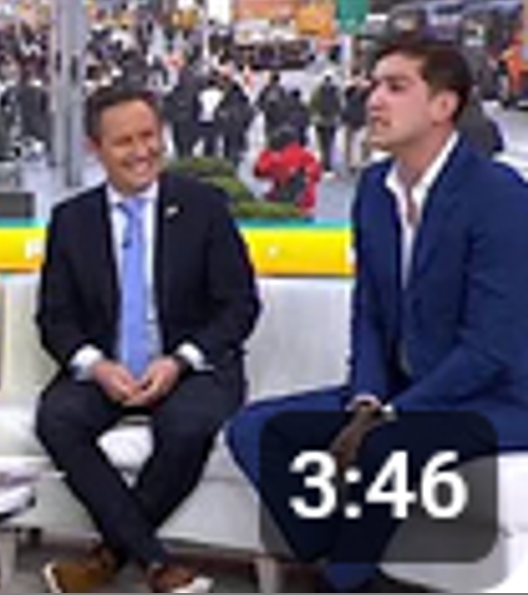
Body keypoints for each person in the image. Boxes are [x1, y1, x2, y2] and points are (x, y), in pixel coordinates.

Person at [226, 35, 528, 592]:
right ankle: (342, 565)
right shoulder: (373, 188)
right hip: (394, 392)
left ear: (443, 105)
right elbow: (368, 310)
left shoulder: (498, 195)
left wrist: (393, 415)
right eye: (374, 86)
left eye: (396, 87)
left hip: (495, 401)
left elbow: (489, 349)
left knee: (387, 448)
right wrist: (367, 397)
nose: (374, 101)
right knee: (254, 429)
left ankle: (341, 579)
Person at [35, 85, 260, 594]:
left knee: (187, 426)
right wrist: (96, 365)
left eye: (149, 136)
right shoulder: (72, 220)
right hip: (108, 368)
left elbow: (239, 305)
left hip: (192, 367)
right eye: (124, 142)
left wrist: (180, 360)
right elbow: (55, 319)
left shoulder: (203, 206)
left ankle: (107, 559)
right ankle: (157, 563)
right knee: (57, 418)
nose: (142, 152)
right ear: (95, 148)